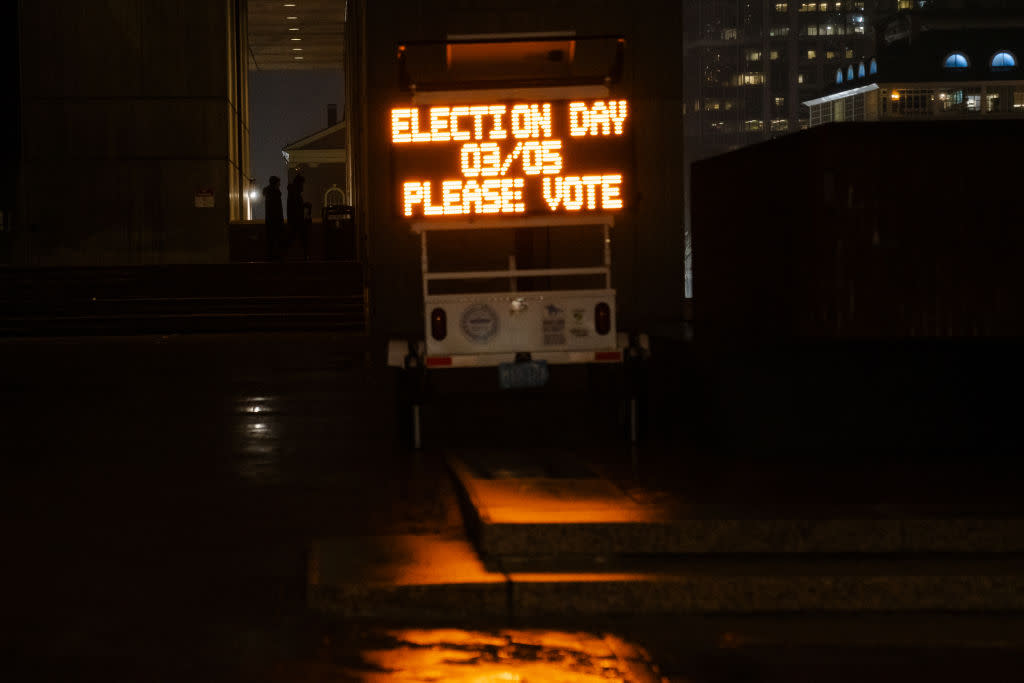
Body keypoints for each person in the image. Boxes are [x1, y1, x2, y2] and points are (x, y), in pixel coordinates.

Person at [286, 173, 309, 260]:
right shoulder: (295, 194)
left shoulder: (292, 193)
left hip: (294, 220)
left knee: (291, 238)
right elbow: (296, 207)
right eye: (302, 184)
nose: (303, 186)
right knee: (301, 238)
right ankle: (305, 256)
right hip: (297, 220)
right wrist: (304, 206)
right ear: (299, 184)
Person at [262, 176, 283, 260]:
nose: (280, 184)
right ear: (275, 183)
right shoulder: (275, 193)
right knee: (276, 239)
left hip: (270, 220)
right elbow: (277, 209)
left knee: (270, 239)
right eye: (278, 183)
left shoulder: (269, 193)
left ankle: (270, 256)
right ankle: (275, 256)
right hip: (276, 220)